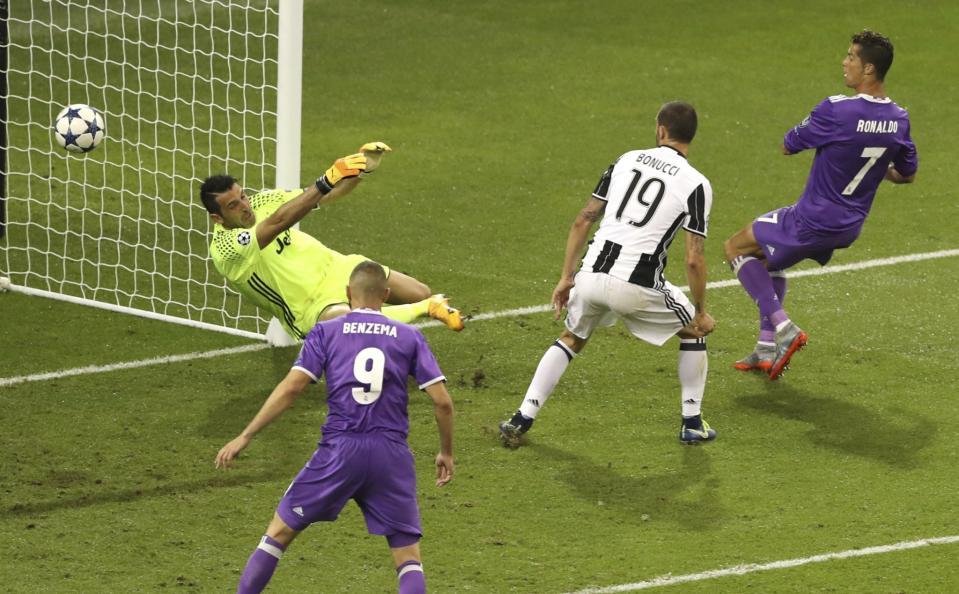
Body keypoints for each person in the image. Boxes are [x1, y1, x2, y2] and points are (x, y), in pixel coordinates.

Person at [215, 260, 455, 594]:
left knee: (278, 535)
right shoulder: (408, 336)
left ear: (347, 294)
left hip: (339, 452)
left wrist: (246, 435)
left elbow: (292, 388)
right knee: (408, 559)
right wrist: (445, 452)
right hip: (391, 455)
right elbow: (443, 402)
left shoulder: (327, 331)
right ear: (385, 296)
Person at [499, 101, 717, 447]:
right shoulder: (697, 184)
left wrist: (566, 277)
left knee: (572, 338)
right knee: (694, 331)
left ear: (661, 130)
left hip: (590, 274)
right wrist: (702, 311)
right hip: (638, 284)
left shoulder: (626, 159)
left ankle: (522, 416)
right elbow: (694, 258)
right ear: (691, 136)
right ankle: (692, 422)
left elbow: (583, 219)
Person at [724, 30, 918, 380]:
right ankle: (766, 349)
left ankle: (783, 328)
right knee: (765, 258)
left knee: (735, 247)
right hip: (849, 227)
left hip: (811, 219)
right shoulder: (899, 118)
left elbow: (788, 145)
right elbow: (906, 175)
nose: (844, 63)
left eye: (851, 57)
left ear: (869, 68)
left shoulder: (836, 109)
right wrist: (875, 165)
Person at [199, 142, 464, 341]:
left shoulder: (262, 201)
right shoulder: (226, 249)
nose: (245, 206)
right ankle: (426, 309)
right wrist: (325, 181)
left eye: (243, 196)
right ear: (217, 217)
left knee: (418, 291)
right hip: (310, 307)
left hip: (338, 268)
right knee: (350, 321)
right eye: (233, 205)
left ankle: (424, 304)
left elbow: (323, 196)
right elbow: (278, 222)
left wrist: (360, 170)